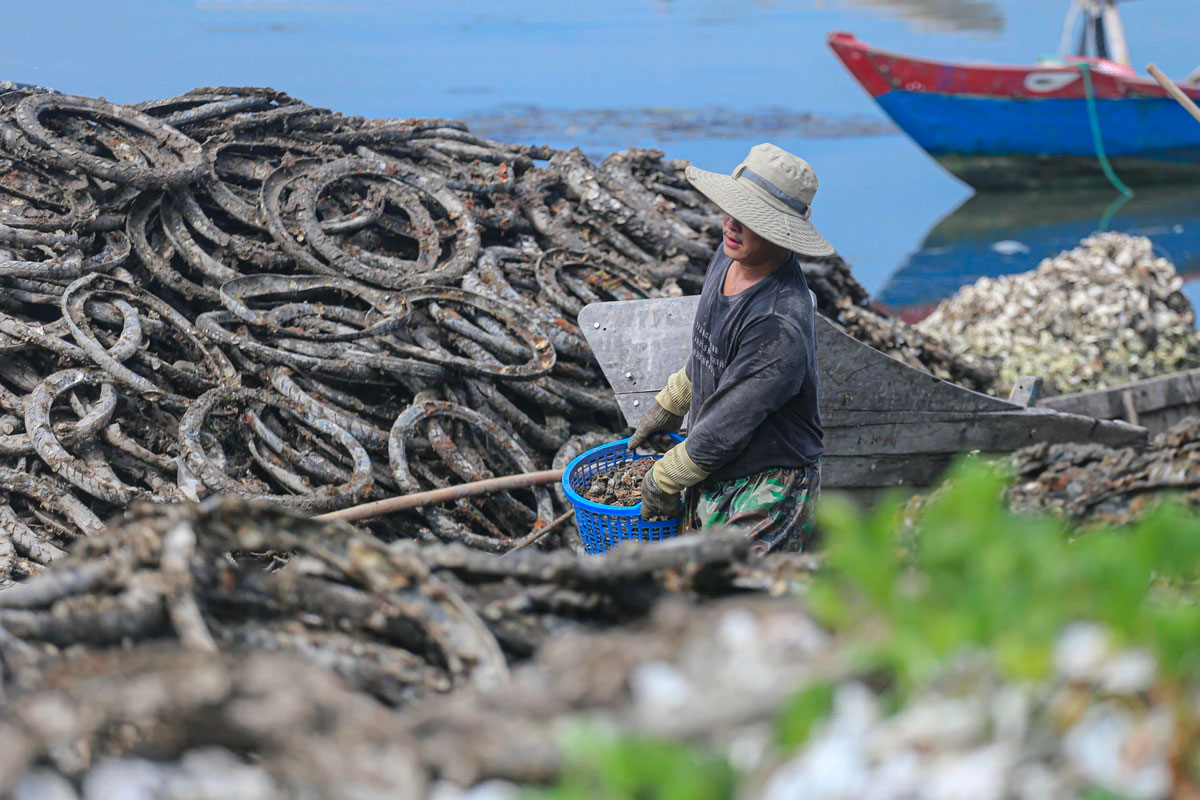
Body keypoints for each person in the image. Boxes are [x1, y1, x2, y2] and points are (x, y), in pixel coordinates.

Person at [628, 143, 831, 554]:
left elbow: (727, 425)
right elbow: (713, 351)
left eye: (750, 218)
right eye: (731, 209)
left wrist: (662, 479)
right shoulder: (728, 256)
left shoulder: (778, 321)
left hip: (766, 486)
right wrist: (673, 400)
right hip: (714, 462)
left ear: (780, 230)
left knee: (744, 601)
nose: (731, 224)